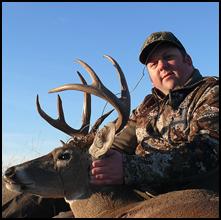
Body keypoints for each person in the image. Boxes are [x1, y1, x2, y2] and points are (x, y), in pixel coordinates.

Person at [2, 31, 219, 218]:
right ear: (151, 75)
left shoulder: (211, 93)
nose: (161, 65)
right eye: (153, 64)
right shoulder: (148, 108)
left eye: (168, 57)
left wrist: (128, 168)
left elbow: (208, 152)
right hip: (138, 193)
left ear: (187, 60)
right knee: (49, 188)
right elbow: (117, 143)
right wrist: (87, 152)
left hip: (188, 197)